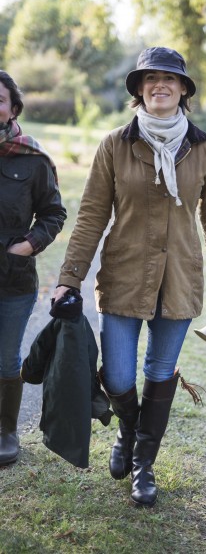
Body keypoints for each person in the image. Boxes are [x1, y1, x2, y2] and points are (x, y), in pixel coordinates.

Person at [53, 47, 206, 507]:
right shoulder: (115, 144)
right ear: (138, 89)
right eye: (151, 78)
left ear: (183, 90)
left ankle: (143, 464)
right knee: (118, 376)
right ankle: (130, 434)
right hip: (123, 277)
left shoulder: (205, 150)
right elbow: (92, 215)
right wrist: (69, 278)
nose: (161, 85)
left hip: (178, 278)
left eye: (170, 79)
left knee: (159, 372)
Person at [0, 71, 67, 466]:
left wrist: (26, 246)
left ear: (13, 108)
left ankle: (6, 430)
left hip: (13, 278)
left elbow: (54, 213)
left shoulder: (31, 158)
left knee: (5, 358)